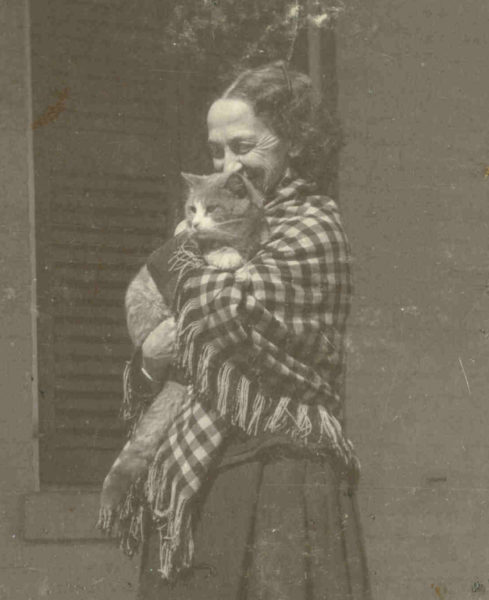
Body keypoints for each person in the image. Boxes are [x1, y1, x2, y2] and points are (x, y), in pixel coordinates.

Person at [131, 61, 372, 600]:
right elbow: (170, 346)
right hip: (201, 477)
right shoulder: (217, 225)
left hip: (278, 477)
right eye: (218, 150)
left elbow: (229, 315)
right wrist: (150, 355)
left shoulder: (312, 225)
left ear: (294, 141)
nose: (229, 164)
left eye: (244, 145)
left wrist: (176, 260)